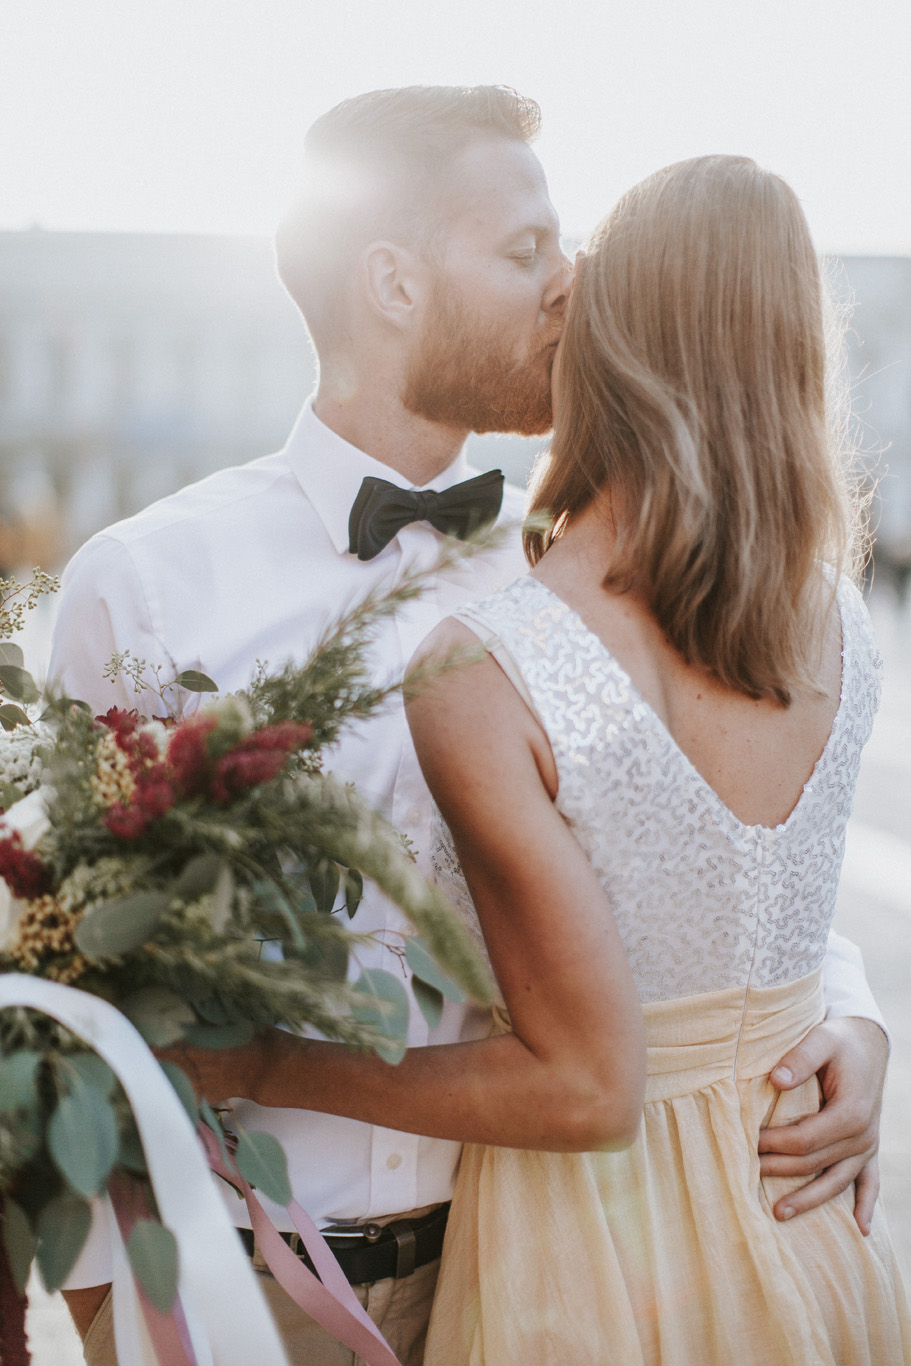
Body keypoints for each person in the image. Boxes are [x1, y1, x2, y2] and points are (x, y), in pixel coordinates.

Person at [50, 91, 889, 1364]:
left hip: (525, 1260)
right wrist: (124, 1311)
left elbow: (709, 857)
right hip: (242, 1276)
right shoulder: (149, 581)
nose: (572, 287)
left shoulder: (586, 589)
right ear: (392, 282)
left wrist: (851, 1018)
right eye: (524, 252)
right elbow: (85, 975)